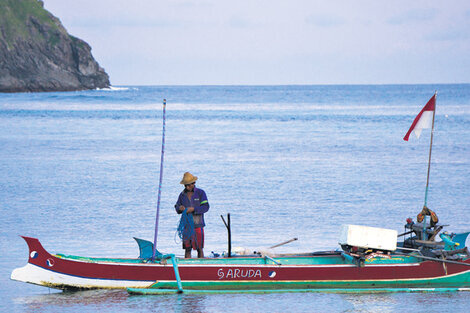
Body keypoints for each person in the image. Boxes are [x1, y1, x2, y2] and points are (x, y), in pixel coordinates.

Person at [175, 172, 209, 258]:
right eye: (185, 185)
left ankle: (201, 267)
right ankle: (186, 267)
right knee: (187, 248)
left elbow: (206, 207)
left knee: (199, 248)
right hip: (186, 226)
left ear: (194, 183)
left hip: (198, 225)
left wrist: (193, 209)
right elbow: (177, 207)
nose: (187, 187)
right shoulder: (182, 195)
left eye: (189, 185)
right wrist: (180, 208)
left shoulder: (200, 193)